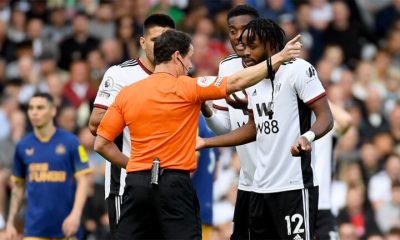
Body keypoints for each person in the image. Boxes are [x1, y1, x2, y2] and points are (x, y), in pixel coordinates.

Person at [94, 29, 302, 239]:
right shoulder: (187, 86)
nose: (191, 65)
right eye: (189, 58)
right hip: (173, 183)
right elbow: (237, 82)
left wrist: (133, 166)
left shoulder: (127, 93)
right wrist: (279, 57)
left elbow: (101, 144)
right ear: (177, 56)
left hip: (136, 183)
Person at [196, 18, 333, 240]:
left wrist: (306, 137)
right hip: (260, 189)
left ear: (270, 45)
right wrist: (206, 142)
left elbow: (326, 117)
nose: (245, 52)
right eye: (244, 45)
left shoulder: (299, 70)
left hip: (294, 186)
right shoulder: (254, 77)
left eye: (253, 46)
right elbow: (253, 129)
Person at [88, 13, 175, 239]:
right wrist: (138, 109)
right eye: (155, 40)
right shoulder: (121, 74)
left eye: (167, 40)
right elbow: (95, 122)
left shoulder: (181, 77)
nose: (161, 46)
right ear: (142, 42)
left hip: (168, 183)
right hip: (126, 183)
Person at [200, 5, 259, 239]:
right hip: (247, 178)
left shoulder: (281, 65)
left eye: (243, 29)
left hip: (282, 179)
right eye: (232, 30)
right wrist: (208, 112)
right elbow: (225, 126)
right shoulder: (227, 66)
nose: (237, 36)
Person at [5, 93, 90, 239]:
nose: (34, 112)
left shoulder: (71, 142)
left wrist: (75, 215)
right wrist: (10, 222)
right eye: (31, 108)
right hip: (34, 229)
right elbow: (18, 186)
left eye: (40, 107)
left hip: (67, 227)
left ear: (53, 111)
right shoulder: (22, 146)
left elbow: (84, 179)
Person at [314, 101, 352, 240]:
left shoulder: (326, 127)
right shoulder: (292, 126)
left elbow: (346, 120)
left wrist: (318, 97)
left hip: (322, 207)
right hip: (297, 204)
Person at [191, 114, 219, 240]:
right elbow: (215, 175)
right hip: (206, 204)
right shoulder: (211, 123)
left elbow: (190, 168)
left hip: (190, 208)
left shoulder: (193, 120)